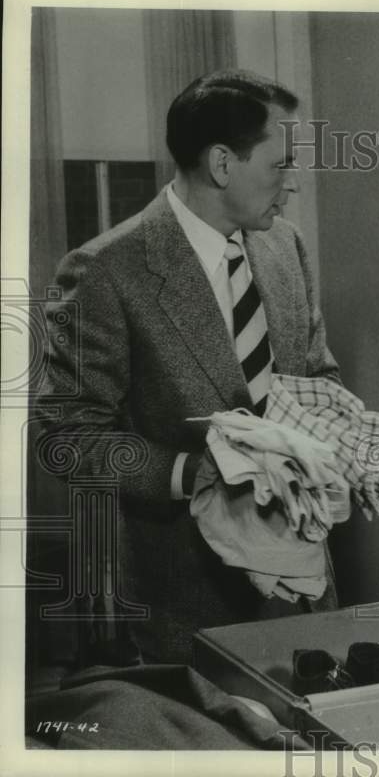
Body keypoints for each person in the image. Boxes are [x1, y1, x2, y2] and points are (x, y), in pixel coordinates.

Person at [39, 69, 341, 664]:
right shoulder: (105, 271)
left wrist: (332, 441)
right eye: (280, 164)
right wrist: (192, 473)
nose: (293, 182)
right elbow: (67, 437)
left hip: (304, 581)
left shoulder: (286, 247)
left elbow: (316, 377)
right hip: (189, 601)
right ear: (223, 164)